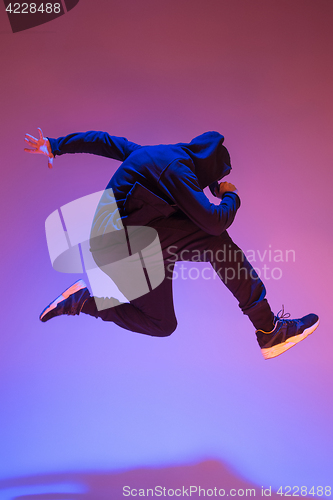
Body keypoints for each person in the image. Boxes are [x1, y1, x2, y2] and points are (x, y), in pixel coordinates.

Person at [24, 128, 319, 359]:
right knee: (216, 239)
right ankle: (268, 329)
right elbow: (214, 220)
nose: (208, 187)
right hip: (125, 241)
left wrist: (56, 144)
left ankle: (82, 302)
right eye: (211, 180)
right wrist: (231, 195)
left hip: (127, 246)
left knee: (162, 324)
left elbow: (104, 141)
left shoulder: (152, 155)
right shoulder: (178, 171)